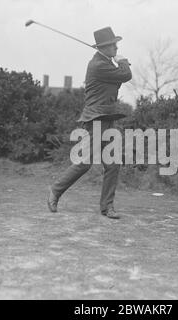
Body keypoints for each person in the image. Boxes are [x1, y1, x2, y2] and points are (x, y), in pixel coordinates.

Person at [47, 26, 132, 219]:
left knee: (113, 163)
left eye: (116, 45)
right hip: (94, 120)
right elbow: (125, 75)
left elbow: (120, 75)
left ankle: (107, 207)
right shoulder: (98, 65)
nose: (116, 48)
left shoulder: (106, 62)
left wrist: (119, 63)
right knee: (84, 163)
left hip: (107, 118)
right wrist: (124, 62)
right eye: (113, 45)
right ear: (103, 47)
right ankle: (55, 190)